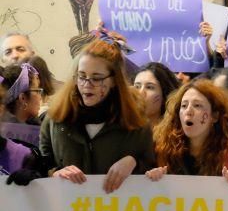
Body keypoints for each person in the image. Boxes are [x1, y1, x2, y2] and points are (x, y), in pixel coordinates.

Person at [40, 37, 155, 193]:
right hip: (68, 210)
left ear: (114, 81)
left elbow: (150, 166)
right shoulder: (56, 117)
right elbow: (43, 161)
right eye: (81, 76)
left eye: (96, 78)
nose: (87, 84)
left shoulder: (136, 122)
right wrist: (54, 173)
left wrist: (134, 162)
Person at [145, 80, 228, 186]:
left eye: (197, 105)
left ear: (214, 116)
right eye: (184, 106)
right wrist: (154, 177)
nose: (188, 111)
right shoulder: (162, 151)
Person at [133, 62, 180, 127]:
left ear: (165, 95)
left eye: (149, 87)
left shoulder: (177, 134)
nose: (140, 93)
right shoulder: (124, 131)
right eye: (137, 87)